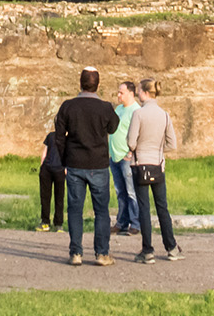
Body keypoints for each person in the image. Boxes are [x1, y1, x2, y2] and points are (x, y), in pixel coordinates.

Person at [54, 66, 119, 267]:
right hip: (98, 164)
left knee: (75, 209)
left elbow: (58, 137)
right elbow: (113, 127)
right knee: (101, 211)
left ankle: (76, 253)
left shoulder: (68, 106)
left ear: (80, 83)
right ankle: (101, 254)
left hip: (74, 164)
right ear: (98, 85)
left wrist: (64, 160)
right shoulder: (106, 108)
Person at [127, 76, 183, 263]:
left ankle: (147, 250)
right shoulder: (164, 115)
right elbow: (172, 143)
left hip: (140, 164)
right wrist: (157, 149)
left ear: (143, 92)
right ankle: (172, 247)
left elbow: (131, 142)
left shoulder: (139, 114)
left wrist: (138, 148)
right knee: (162, 207)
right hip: (158, 165)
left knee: (144, 208)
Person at [109, 79, 139, 236]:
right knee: (120, 191)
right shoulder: (118, 109)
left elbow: (139, 134)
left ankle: (135, 223)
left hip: (126, 158)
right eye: (118, 92)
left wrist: (130, 153)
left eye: (122, 92)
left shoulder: (136, 111)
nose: (118, 95)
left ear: (131, 94)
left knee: (131, 191)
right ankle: (121, 222)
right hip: (114, 156)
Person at [38, 127, 67, 231]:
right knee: (54, 197)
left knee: (50, 197)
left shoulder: (57, 137)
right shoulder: (55, 136)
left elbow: (44, 153)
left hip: (56, 170)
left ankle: (51, 222)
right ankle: (53, 223)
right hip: (51, 170)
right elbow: (44, 153)